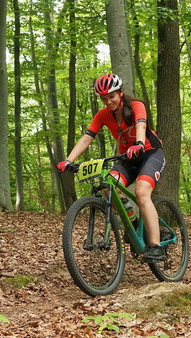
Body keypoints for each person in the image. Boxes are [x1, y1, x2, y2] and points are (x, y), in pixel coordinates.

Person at [57, 73, 167, 263]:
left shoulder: (136, 106)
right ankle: (133, 223)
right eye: (104, 99)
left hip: (150, 153)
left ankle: (156, 246)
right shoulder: (102, 115)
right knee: (108, 187)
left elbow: (141, 125)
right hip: (127, 158)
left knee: (142, 192)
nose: (108, 102)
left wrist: (139, 143)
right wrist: (68, 160)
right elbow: (87, 138)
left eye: (111, 97)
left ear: (120, 93)